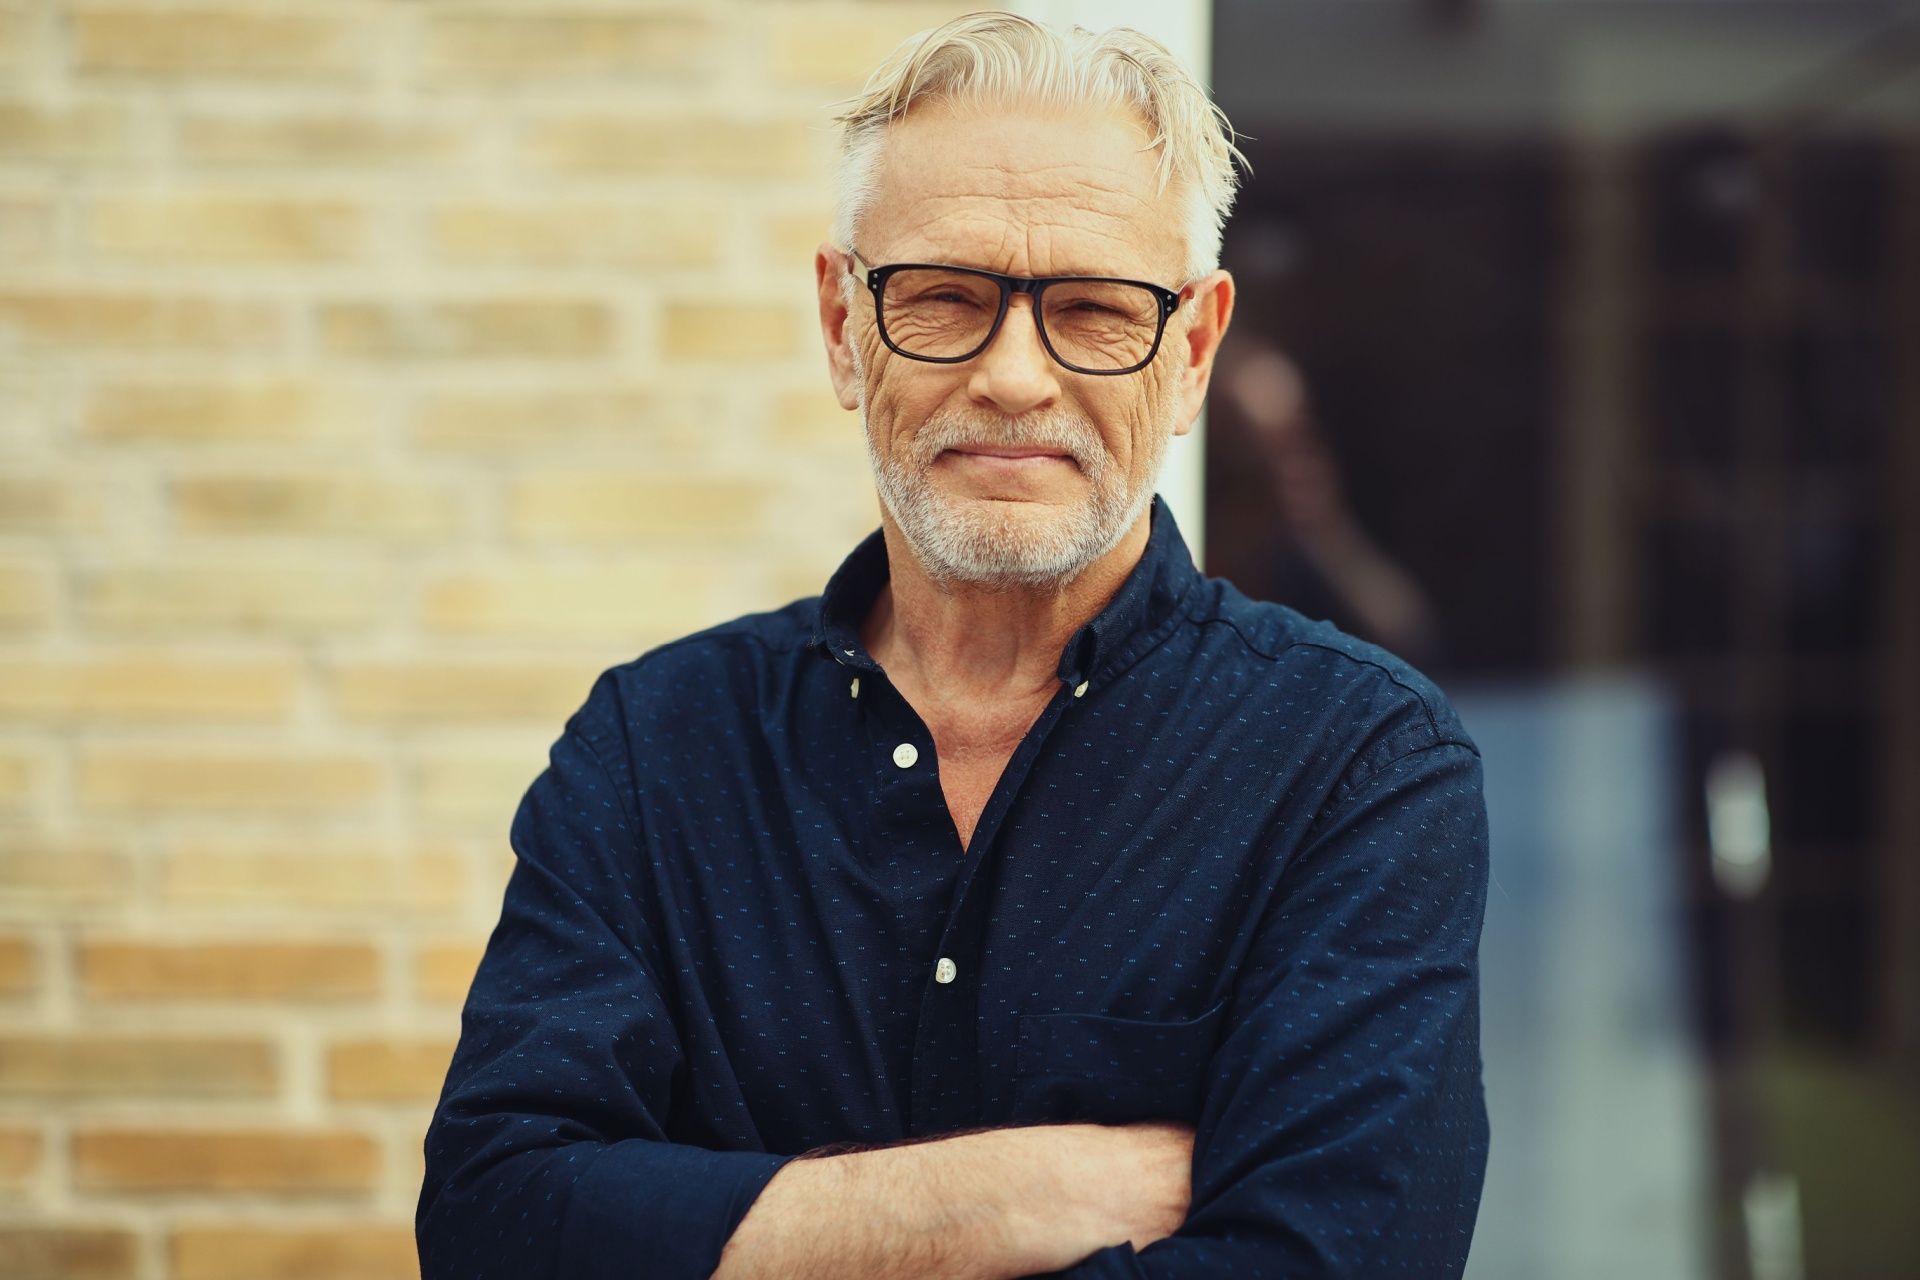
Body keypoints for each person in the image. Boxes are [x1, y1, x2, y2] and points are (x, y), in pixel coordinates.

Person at [416, 13, 1490, 1280]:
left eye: (1093, 309)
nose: (1016, 377)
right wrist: (1008, 1197)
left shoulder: (1354, 767)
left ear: (1193, 350)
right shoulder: (655, 749)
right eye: (944, 298)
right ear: (841, 326)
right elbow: (496, 1224)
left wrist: (726, 1232)